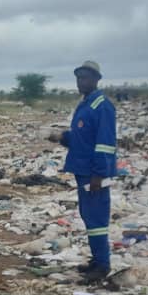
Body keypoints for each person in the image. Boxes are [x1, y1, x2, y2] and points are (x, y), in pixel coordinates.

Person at [47, 61, 117, 283]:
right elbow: (81, 140)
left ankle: (103, 266)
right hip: (83, 170)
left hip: (93, 174)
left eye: (86, 78)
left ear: (96, 80)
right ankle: (96, 261)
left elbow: (105, 144)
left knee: (97, 218)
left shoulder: (101, 106)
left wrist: (99, 174)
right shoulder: (85, 105)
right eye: (78, 78)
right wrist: (62, 137)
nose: (81, 82)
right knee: (89, 216)